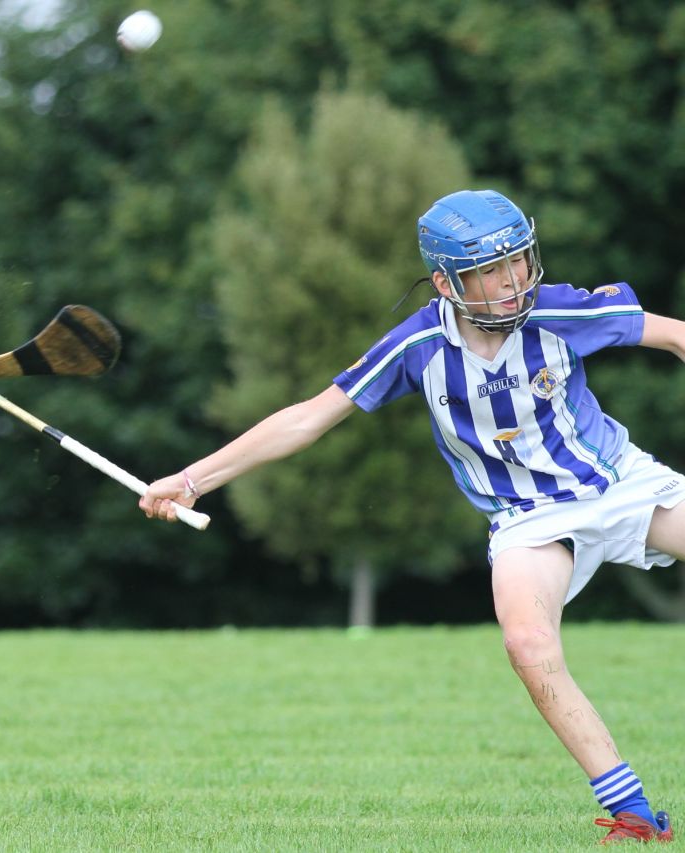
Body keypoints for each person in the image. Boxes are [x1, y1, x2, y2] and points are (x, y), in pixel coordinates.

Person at [139, 189, 681, 844]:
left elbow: (676, 335)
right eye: (490, 270)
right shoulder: (419, 343)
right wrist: (194, 479)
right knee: (527, 644)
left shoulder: (561, 309)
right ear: (446, 282)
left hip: (621, 482)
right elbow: (310, 417)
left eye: (518, 261)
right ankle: (632, 814)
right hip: (525, 518)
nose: (513, 282)